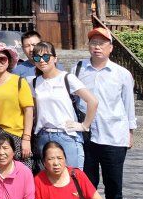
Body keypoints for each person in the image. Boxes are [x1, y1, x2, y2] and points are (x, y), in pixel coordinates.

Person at [76, 26, 136, 199]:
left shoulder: (122, 74)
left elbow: (128, 105)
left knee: (113, 186)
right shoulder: (78, 69)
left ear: (111, 47)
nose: (97, 47)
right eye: (93, 43)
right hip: (87, 136)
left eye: (102, 43)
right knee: (87, 184)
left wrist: (130, 132)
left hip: (114, 136)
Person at [31, 41, 98, 170]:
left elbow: (93, 101)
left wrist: (84, 125)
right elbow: (34, 111)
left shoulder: (67, 78)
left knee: (73, 176)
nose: (42, 61)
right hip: (43, 136)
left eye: (46, 57)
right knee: (48, 178)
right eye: (37, 58)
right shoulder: (35, 82)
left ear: (55, 58)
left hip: (66, 135)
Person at [0, 41, 35, 168]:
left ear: (9, 61)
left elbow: (28, 110)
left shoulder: (19, 82)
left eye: (2, 58)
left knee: (22, 171)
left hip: (17, 134)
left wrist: (26, 138)